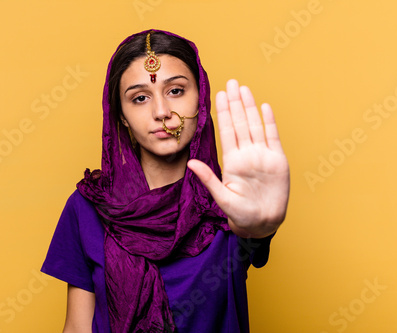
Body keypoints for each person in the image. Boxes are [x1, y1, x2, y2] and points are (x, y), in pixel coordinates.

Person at [41, 29, 290, 333]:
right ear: (121, 116)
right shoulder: (87, 207)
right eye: (140, 98)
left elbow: (252, 227)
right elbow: (77, 327)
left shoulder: (233, 202)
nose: (161, 112)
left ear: (201, 99)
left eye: (176, 91)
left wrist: (261, 227)